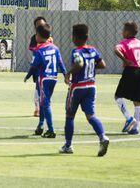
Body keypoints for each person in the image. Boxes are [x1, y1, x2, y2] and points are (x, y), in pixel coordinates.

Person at [60, 24, 109, 156]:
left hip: (78, 87)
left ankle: (68, 145)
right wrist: (91, 65)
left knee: (70, 116)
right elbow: (102, 64)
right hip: (91, 86)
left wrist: (69, 73)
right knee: (90, 116)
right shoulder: (93, 50)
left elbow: (80, 63)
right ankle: (103, 137)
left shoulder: (76, 51)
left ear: (74, 37)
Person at [24, 24, 66, 138]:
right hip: (53, 78)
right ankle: (40, 126)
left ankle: (51, 130)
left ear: (38, 36)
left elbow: (34, 66)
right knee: (43, 102)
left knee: (45, 103)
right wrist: (66, 75)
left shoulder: (39, 50)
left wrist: (28, 76)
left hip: (44, 79)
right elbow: (60, 62)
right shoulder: (55, 48)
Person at [28, 17, 54, 118]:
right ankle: (37, 108)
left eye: (42, 25)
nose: (41, 27)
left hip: (47, 67)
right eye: (38, 25)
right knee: (38, 86)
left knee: (46, 87)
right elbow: (33, 49)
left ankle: (45, 105)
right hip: (38, 66)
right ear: (35, 27)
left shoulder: (50, 38)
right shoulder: (35, 38)